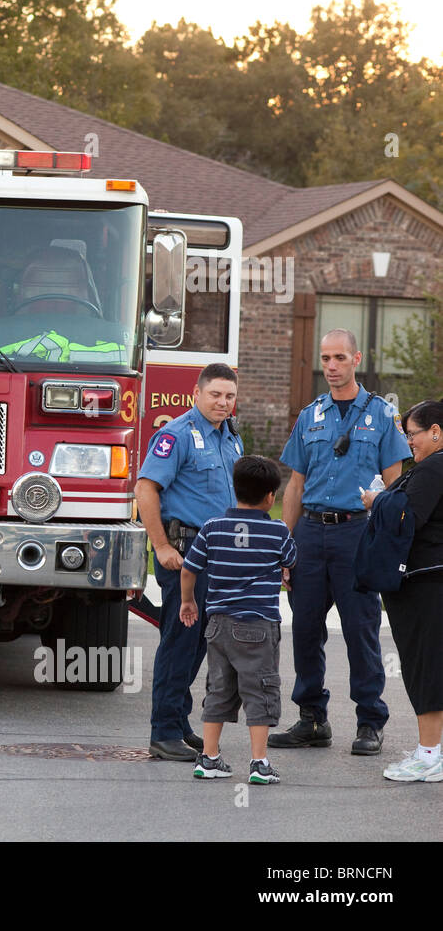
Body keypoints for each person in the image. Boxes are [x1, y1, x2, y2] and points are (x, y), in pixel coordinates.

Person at [271, 329, 410, 756]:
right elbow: (294, 486)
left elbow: (396, 487)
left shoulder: (382, 417)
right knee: (306, 628)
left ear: (356, 359)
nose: (330, 365)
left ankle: (370, 721)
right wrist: (285, 546)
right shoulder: (309, 415)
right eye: (325, 357)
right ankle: (312, 718)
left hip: (358, 532)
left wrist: (389, 546)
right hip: (311, 532)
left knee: (361, 629)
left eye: (338, 357)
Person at [135, 362, 243, 760]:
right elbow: (146, 488)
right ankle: (162, 732)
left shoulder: (230, 438)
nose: (222, 402)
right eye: (215, 394)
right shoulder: (176, 434)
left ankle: (178, 722)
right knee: (180, 643)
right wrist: (161, 546)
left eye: (229, 396)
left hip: (218, 555)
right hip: (185, 555)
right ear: (196, 393)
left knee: (198, 643)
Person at [179, 456, 297, 784]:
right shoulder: (276, 531)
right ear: (271, 497)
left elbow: (189, 569)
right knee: (259, 690)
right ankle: (259, 763)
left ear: (235, 490)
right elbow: (290, 560)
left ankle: (210, 758)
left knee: (218, 688)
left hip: (218, 624)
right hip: (258, 625)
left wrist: (188, 601)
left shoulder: (213, 527)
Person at [363, 400, 443, 782]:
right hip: (428, 582)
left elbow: (405, 517)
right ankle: (433, 751)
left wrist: (377, 500)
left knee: (425, 667)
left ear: (436, 432)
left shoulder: (434, 467)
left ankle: (429, 754)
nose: (408, 442)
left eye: (412, 434)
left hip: (426, 584)